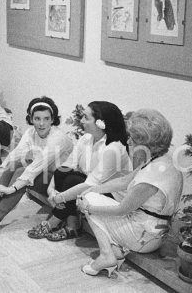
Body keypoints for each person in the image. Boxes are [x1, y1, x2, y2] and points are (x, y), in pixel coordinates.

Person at [77, 109, 183, 278]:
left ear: (145, 142)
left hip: (144, 236)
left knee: (90, 203)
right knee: (91, 195)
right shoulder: (161, 160)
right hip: (150, 230)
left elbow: (122, 210)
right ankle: (116, 252)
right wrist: (92, 189)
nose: (128, 141)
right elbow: (124, 181)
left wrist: (88, 205)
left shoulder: (152, 175)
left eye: (132, 138)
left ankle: (107, 255)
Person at [0, 96, 74, 240]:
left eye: (46, 119)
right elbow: (15, 155)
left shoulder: (58, 138)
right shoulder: (31, 133)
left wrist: (11, 189)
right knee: (15, 164)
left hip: (59, 184)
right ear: (31, 118)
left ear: (52, 119)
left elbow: (36, 167)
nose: (41, 124)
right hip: (44, 174)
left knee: (22, 171)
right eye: (37, 119)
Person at [27, 101, 131, 242]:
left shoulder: (114, 148)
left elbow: (90, 184)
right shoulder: (86, 138)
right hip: (91, 186)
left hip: (112, 195)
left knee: (72, 181)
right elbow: (67, 165)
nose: (81, 121)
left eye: (86, 118)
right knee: (62, 173)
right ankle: (72, 225)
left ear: (101, 123)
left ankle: (53, 222)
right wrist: (51, 189)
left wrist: (60, 197)